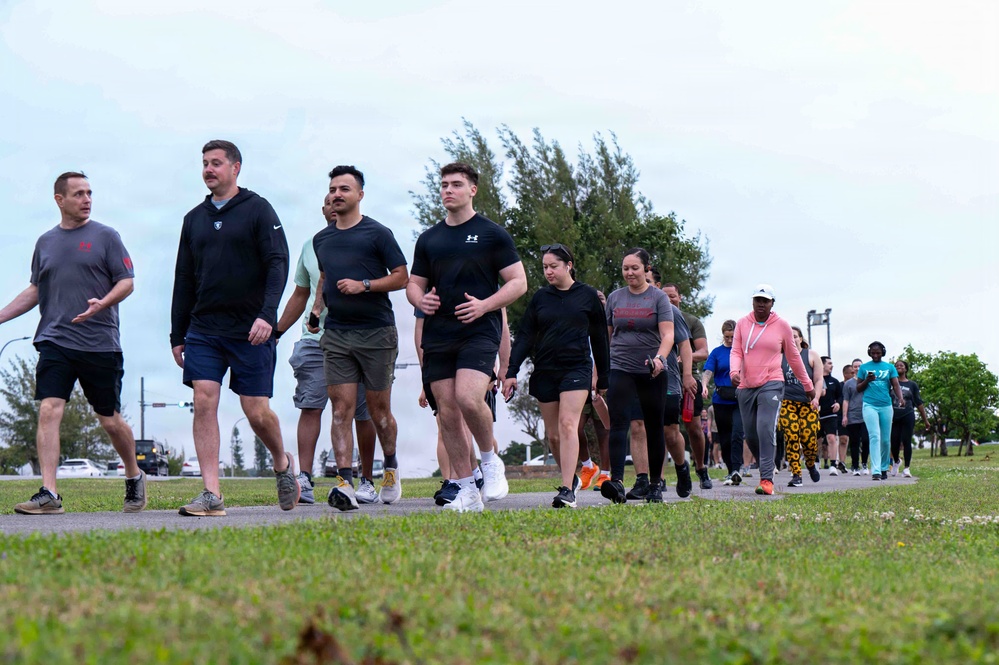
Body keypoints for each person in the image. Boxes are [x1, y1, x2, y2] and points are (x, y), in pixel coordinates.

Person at [2, 172, 145, 515]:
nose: (87, 199)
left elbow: (127, 282)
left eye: (90, 193)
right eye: (79, 193)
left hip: (99, 343)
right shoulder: (45, 242)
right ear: (59, 199)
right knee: (49, 409)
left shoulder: (107, 237)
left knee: (109, 420)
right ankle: (49, 492)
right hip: (55, 339)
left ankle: (134, 473)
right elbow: (37, 290)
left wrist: (103, 302)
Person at [170, 140, 298, 516]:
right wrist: (178, 335)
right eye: (205, 164)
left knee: (256, 411)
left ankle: (281, 462)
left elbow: (278, 262)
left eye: (216, 164)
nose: (209, 170)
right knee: (204, 399)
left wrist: (268, 314)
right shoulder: (193, 219)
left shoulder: (258, 209)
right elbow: (183, 280)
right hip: (205, 327)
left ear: (236, 168)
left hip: (251, 328)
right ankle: (211, 494)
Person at [407, 162, 527, 513]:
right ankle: (466, 489)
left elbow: (518, 282)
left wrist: (485, 305)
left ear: (472, 189)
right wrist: (420, 299)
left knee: (467, 398)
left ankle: (490, 462)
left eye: (456, 184)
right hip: (439, 333)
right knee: (446, 411)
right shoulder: (429, 238)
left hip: (478, 330)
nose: (448, 190)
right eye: (443, 184)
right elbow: (413, 283)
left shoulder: (492, 234)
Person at [308, 165, 408, 511]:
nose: (337, 194)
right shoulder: (322, 240)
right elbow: (324, 277)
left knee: (380, 413)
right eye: (333, 189)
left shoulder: (378, 233)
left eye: (344, 189)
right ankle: (345, 483)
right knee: (340, 410)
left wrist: (364, 285)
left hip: (376, 333)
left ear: (360, 195)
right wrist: (317, 311)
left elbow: (401, 278)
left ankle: (391, 469)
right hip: (336, 334)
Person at [273, 192, 378, 504]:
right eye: (329, 204)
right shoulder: (311, 245)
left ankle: (368, 480)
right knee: (311, 404)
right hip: (314, 340)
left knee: (363, 410)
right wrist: (277, 330)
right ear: (323, 210)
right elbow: (300, 294)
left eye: (340, 201)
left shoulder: (369, 240)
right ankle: (304, 479)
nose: (335, 207)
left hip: (358, 337)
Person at [503, 243, 610, 508]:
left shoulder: (588, 297)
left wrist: (604, 378)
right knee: (553, 436)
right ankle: (571, 478)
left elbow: (599, 340)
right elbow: (526, 336)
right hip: (546, 370)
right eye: (544, 268)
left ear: (568, 265)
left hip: (577, 368)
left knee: (567, 424)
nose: (548, 272)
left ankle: (566, 491)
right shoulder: (541, 298)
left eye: (553, 266)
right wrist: (511, 371)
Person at [599, 248, 676, 504]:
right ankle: (617, 482)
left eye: (634, 268)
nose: (629, 272)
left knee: (654, 427)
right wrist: (602, 369)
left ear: (646, 269)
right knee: (618, 423)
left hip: (651, 370)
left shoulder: (658, 298)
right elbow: (608, 336)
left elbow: (667, 335)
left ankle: (655, 484)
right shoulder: (614, 298)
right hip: (620, 367)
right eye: (625, 268)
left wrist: (659, 360)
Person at [729, 284, 815, 495]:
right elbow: (736, 351)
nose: (761, 304)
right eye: (757, 300)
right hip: (746, 385)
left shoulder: (782, 325)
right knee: (750, 434)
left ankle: (767, 480)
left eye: (765, 301)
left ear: (772, 303)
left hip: (772, 383)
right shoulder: (742, 323)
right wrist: (734, 372)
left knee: (765, 427)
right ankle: (766, 464)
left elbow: (794, 357)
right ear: (752, 302)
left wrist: (808, 385)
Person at [662, 283, 713, 489]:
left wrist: (684, 358)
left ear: (679, 297)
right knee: (666, 429)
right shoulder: (656, 318)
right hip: (664, 379)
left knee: (693, 428)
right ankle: (663, 476)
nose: (669, 300)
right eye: (664, 296)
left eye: (672, 296)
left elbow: (703, 352)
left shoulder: (691, 321)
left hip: (688, 379)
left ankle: (701, 468)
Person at [779, 326, 824, 487]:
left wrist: (816, 398)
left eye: (795, 336)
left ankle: (810, 463)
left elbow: (818, 380)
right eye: (788, 337)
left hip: (808, 403)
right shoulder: (780, 357)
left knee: (809, 441)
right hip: (787, 403)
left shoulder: (811, 355)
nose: (792, 339)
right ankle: (796, 474)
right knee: (791, 437)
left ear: (801, 339)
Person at [856, 341, 905, 480]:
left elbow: (896, 385)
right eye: (873, 353)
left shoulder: (889, 367)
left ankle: (884, 467)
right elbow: (858, 388)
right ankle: (876, 470)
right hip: (869, 405)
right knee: (874, 436)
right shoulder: (864, 368)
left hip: (886, 405)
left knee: (885, 440)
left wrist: (900, 398)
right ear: (869, 353)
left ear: (883, 352)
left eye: (878, 353)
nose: (876, 355)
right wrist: (867, 380)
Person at [703, 320, 743, 485]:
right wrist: (704, 385)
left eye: (733, 337)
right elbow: (708, 371)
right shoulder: (717, 352)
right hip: (721, 400)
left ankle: (737, 469)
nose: (729, 340)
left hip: (740, 399)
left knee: (737, 434)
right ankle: (730, 470)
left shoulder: (742, 352)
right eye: (727, 336)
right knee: (725, 438)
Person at [890, 360, 929, 478]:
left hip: (908, 415)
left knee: (907, 441)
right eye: (896, 366)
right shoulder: (890, 384)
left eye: (901, 365)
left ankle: (907, 468)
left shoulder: (912, 385)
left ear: (906, 369)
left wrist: (925, 420)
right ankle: (896, 461)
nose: (898, 367)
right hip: (893, 416)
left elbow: (919, 403)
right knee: (894, 442)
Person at [818, 356, 845, 474]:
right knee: (815, 440)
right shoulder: (814, 379)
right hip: (816, 414)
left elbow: (841, 396)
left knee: (831, 438)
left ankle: (833, 464)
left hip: (831, 414)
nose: (832, 365)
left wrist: (838, 404)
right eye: (829, 363)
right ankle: (815, 463)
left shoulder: (834, 381)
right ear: (822, 364)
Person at [841, 364, 870, 474]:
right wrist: (844, 416)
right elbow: (846, 400)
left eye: (860, 366)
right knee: (855, 442)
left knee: (866, 440)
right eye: (855, 366)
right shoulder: (848, 384)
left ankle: (864, 464)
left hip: (866, 415)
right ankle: (855, 465)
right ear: (852, 369)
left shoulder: (868, 381)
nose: (858, 368)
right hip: (853, 415)